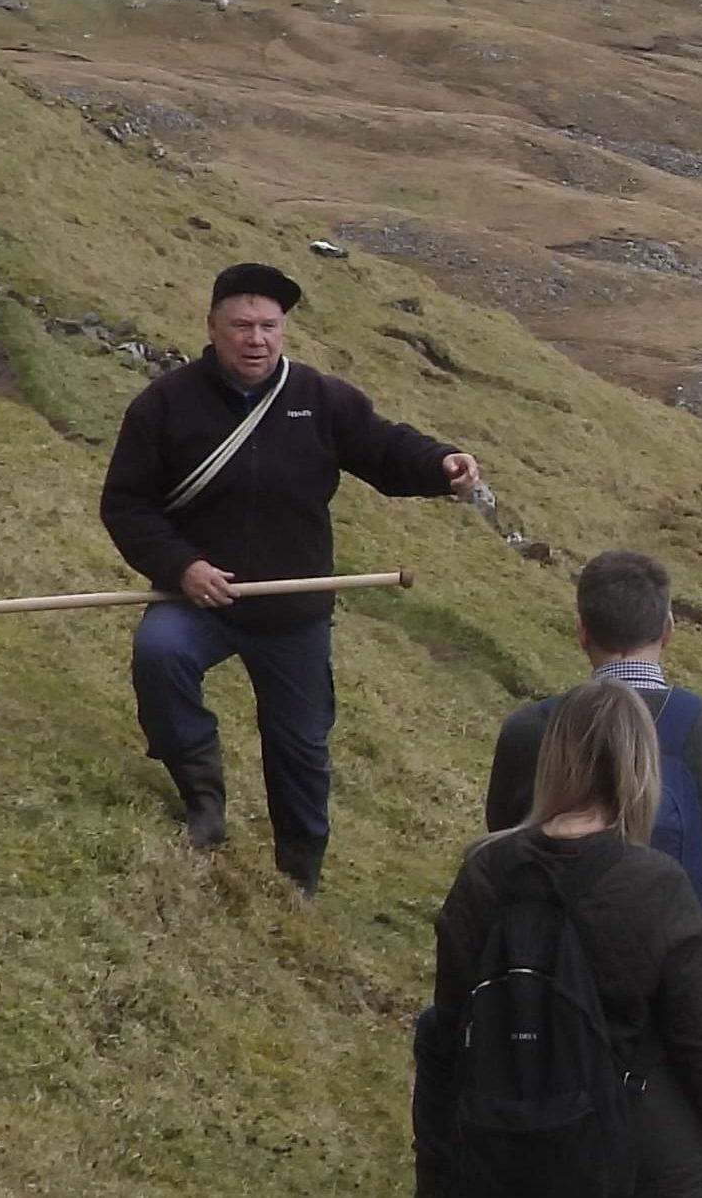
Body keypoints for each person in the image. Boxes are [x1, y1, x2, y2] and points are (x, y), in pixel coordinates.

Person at [99, 262, 480, 894]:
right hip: (199, 602)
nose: (256, 339)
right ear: (212, 327)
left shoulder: (322, 399)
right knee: (159, 655)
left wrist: (441, 463)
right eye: (241, 326)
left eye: (269, 326)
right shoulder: (163, 406)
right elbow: (126, 505)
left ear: (283, 330)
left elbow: (384, 448)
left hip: (294, 613)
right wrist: (181, 566)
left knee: (301, 749)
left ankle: (299, 874)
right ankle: (202, 795)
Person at [418, 680, 702, 1198]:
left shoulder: (483, 871)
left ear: (552, 759)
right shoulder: (656, 885)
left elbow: (450, 1022)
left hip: (496, 1128)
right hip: (625, 1150)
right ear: (640, 766)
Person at [486, 550, 702, 929]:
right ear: (668, 629)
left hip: (549, 950)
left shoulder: (529, 730)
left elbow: (503, 839)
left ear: (582, 631)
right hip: (676, 950)